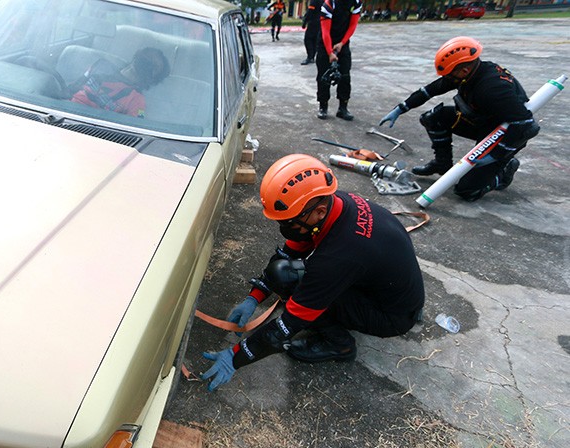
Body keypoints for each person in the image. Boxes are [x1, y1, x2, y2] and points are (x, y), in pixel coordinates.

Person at [202, 154, 425, 391]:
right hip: (383, 289)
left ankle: (340, 346)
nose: (285, 229)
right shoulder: (332, 205)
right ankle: (338, 317)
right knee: (286, 273)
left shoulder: (339, 255)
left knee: (295, 285)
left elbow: (286, 326)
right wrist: (253, 296)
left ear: (318, 211)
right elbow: (288, 255)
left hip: (392, 316)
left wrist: (235, 357)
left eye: (290, 222)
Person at [379, 36, 539, 201]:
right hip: (481, 121)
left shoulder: (493, 88)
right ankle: (442, 164)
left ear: (463, 71)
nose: (447, 79)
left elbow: (526, 126)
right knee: (434, 118)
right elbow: (431, 89)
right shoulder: (471, 72)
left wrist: (496, 154)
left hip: (503, 135)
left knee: (466, 191)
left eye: (449, 75)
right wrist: (401, 108)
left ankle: (504, 173)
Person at [70, 47, 169, 118]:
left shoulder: (138, 101)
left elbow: (133, 127)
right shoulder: (100, 65)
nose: (147, 63)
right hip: (67, 112)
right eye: (148, 57)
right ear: (137, 55)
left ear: (153, 79)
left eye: (154, 66)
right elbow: (73, 88)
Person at [315, 0, 361, 120]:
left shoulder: (355, 2)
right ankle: (323, 106)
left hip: (343, 42)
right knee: (323, 76)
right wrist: (330, 52)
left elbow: (352, 25)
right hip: (325, 42)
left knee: (345, 75)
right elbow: (325, 31)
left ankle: (343, 107)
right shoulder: (329, 4)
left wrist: (342, 43)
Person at [301, 0, 321, 65]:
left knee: (308, 39)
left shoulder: (314, 1)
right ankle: (312, 56)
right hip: (321, 22)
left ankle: (310, 57)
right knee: (315, 39)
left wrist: (305, 21)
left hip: (314, 22)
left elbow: (310, 11)